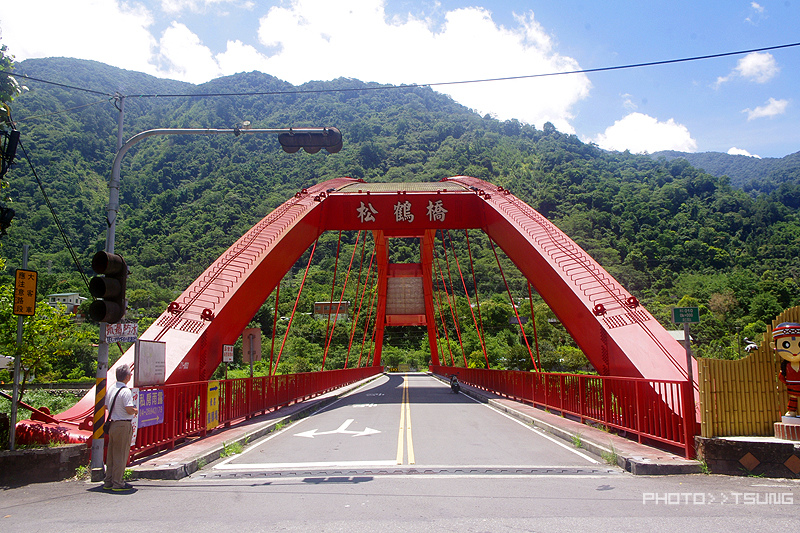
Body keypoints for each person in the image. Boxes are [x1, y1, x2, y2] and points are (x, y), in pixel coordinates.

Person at [103, 364, 138, 491]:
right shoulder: (125, 391)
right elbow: (129, 409)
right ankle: (118, 483)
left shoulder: (112, 389)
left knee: (112, 454)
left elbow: (106, 406)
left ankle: (108, 481)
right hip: (123, 425)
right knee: (121, 454)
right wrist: (135, 410)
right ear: (128, 376)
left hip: (113, 424)